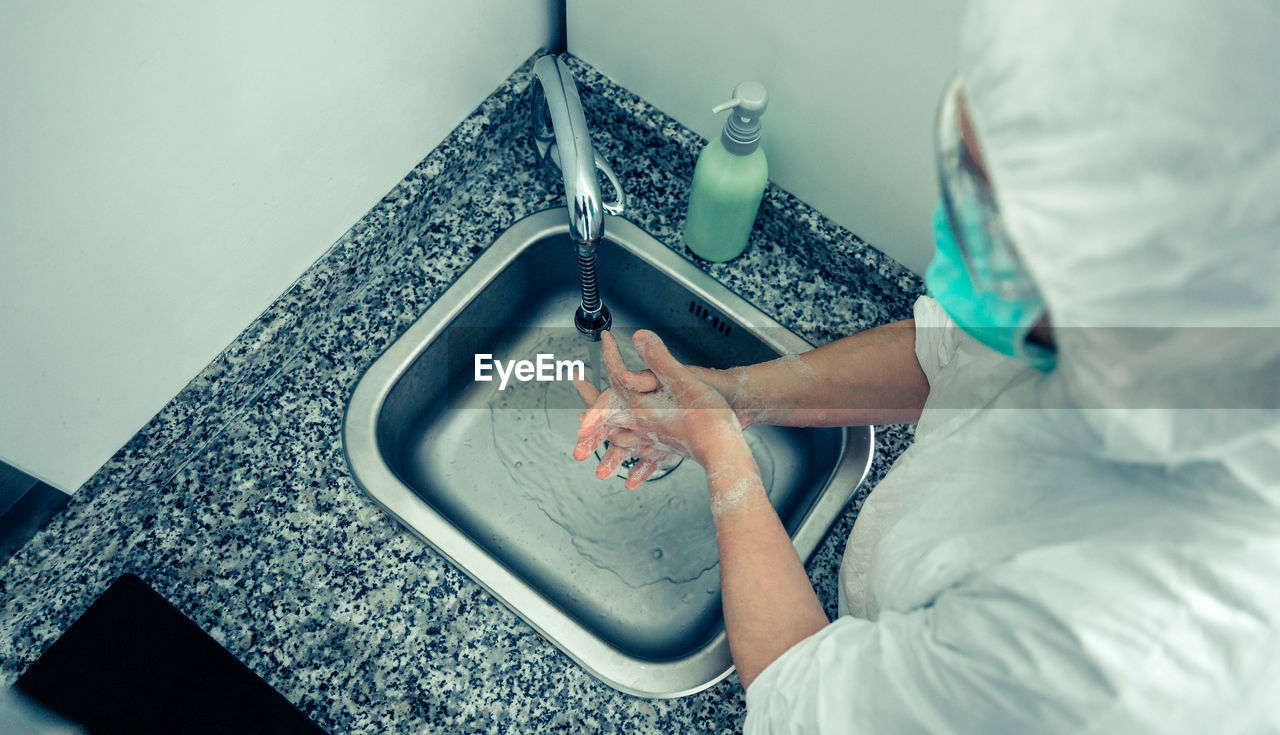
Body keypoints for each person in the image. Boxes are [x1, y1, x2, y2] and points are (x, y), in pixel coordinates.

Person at [571, 0, 1280, 731]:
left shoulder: (1107, 646)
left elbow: (800, 693)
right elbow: (958, 350)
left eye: (985, 192)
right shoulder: (1173, 334)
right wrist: (734, 396)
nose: (956, 205)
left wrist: (721, 448)